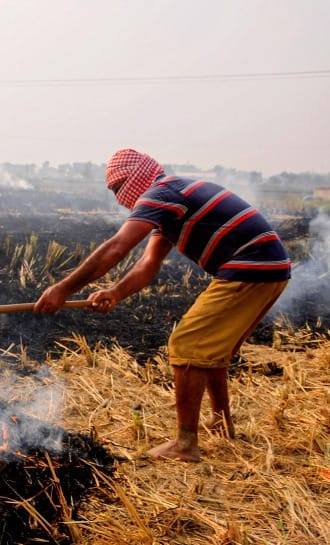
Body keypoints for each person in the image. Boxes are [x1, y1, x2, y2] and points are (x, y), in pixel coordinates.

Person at [33, 148, 291, 462]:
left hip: (252, 264)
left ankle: (185, 444)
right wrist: (115, 292)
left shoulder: (161, 192)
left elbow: (116, 247)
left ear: (137, 177)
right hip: (270, 266)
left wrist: (63, 288)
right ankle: (222, 424)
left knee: (186, 345)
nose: (118, 198)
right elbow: (148, 263)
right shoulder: (172, 198)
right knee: (212, 350)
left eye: (118, 188)